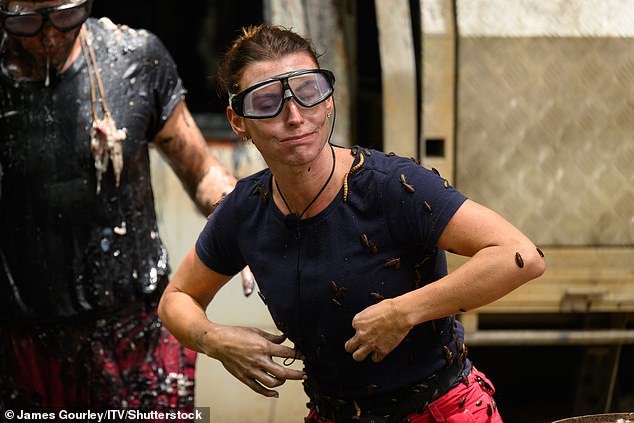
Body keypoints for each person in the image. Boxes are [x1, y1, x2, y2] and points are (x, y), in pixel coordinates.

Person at [158, 24, 546, 423]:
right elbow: (177, 299)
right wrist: (216, 340)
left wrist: (404, 311)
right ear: (238, 120)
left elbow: (520, 255)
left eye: (308, 93)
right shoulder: (246, 210)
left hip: (442, 411)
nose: (294, 116)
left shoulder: (390, 185)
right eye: (267, 101)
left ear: (328, 101)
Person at [0, 0, 254, 415]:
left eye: (64, 16)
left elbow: (201, 170)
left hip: (135, 331)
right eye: (26, 22)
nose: (48, 35)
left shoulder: (135, 58)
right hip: (23, 339)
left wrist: (241, 222)